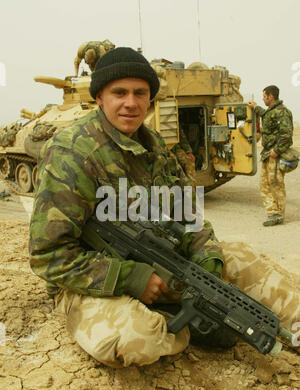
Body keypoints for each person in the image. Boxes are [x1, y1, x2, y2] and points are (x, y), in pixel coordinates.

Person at [29, 50, 299, 368]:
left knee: (240, 257)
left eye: (140, 93)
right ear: (99, 97)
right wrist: (129, 277)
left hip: (165, 267)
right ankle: (176, 328)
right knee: (138, 339)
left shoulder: (154, 145)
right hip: (90, 284)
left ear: (150, 99)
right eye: (119, 92)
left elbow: (188, 214)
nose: (130, 102)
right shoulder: (71, 154)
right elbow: (48, 255)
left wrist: (206, 264)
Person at [248, 86, 293, 226]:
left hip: (275, 155)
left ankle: (278, 213)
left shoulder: (282, 112)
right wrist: (255, 108)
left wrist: (277, 151)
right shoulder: (271, 112)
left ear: (271, 96)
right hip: (267, 154)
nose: (263, 98)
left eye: (264, 96)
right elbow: (267, 116)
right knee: (265, 185)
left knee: (276, 184)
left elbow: (287, 135)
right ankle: (273, 212)